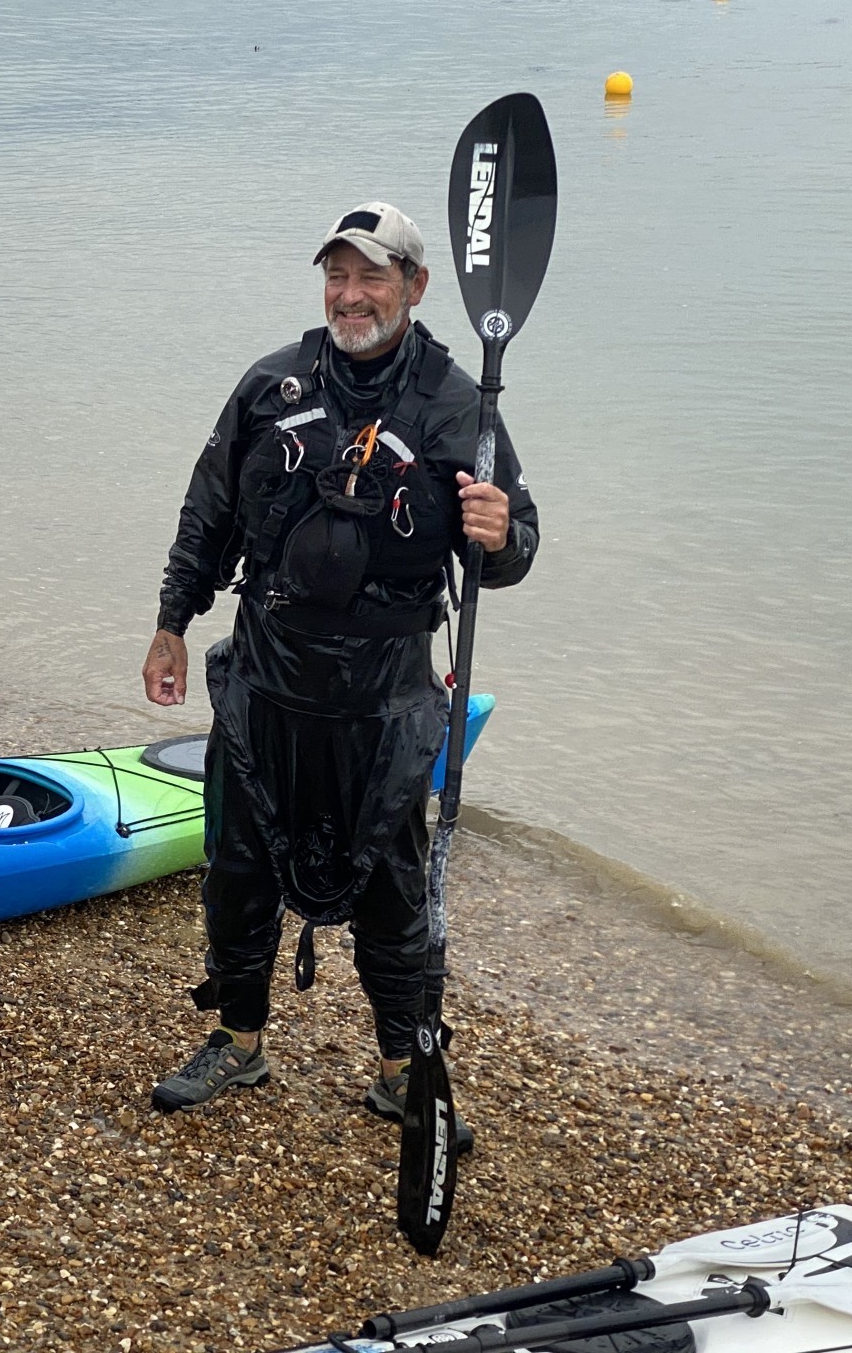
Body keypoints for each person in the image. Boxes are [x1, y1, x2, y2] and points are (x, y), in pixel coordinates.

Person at [141, 201, 538, 1138]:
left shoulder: (454, 405)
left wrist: (500, 534)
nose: (350, 296)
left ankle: (403, 1069)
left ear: (414, 286)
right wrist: (171, 622)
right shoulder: (271, 385)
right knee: (237, 868)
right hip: (268, 676)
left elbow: (515, 542)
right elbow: (209, 513)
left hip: (386, 695)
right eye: (337, 276)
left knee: (394, 892)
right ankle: (238, 1042)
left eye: (371, 277)